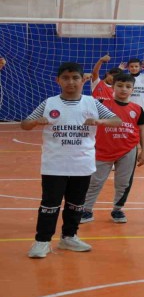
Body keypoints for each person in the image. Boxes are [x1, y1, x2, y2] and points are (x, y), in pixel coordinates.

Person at [21, 62, 121, 258]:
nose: (70, 82)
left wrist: (101, 121)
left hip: (82, 164)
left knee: (76, 204)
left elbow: (117, 120)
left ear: (83, 80)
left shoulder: (92, 103)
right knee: (49, 204)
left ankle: (69, 237)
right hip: (54, 164)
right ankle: (42, 241)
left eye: (75, 78)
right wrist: (34, 122)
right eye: (65, 78)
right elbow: (24, 124)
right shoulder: (49, 103)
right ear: (57, 80)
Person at [81, 73, 144, 224]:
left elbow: (142, 129)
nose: (124, 89)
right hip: (103, 149)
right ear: (113, 86)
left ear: (132, 89)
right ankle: (86, 210)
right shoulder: (101, 104)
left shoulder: (137, 109)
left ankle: (118, 209)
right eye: (120, 86)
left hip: (128, 149)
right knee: (94, 181)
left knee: (123, 182)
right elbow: (82, 104)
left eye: (128, 86)